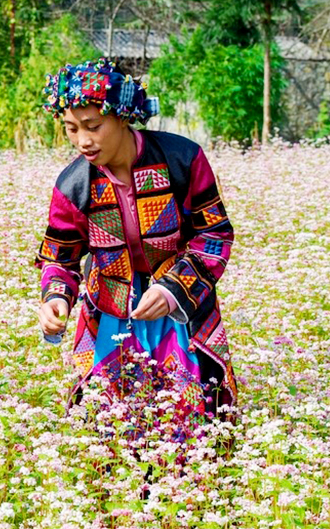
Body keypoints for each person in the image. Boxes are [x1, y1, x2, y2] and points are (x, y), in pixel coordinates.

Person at [34, 60, 236, 437]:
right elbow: (59, 257)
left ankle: (192, 494)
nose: (83, 141)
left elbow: (214, 235)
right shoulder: (73, 185)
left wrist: (173, 288)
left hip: (182, 309)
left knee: (192, 418)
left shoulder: (182, 159)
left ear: (123, 117)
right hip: (112, 310)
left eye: (93, 126)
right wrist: (56, 297)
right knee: (112, 420)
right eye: (71, 129)